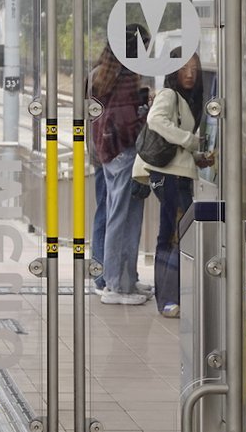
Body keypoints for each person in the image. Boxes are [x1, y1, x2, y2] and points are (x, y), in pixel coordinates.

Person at [132, 51, 211, 318]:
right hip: (167, 176)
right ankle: (167, 299)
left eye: (194, 68)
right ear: (173, 71)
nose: (190, 73)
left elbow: (178, 143)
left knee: (177, 235)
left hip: (178, 175)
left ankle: (173, 296)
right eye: (183, 68)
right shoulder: (168, 94)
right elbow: (155, 120)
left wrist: (198, 158)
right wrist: (189, 141)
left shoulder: (189, 99)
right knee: (171, 236)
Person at [90, 23, 151, 305]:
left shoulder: (101, 74)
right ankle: (117, 285)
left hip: (107, 153)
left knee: (118, 216)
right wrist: (145, 111)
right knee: (123, 218)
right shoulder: (127, 77)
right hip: (125, 151)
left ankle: (123, 281)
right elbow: (127, 120)